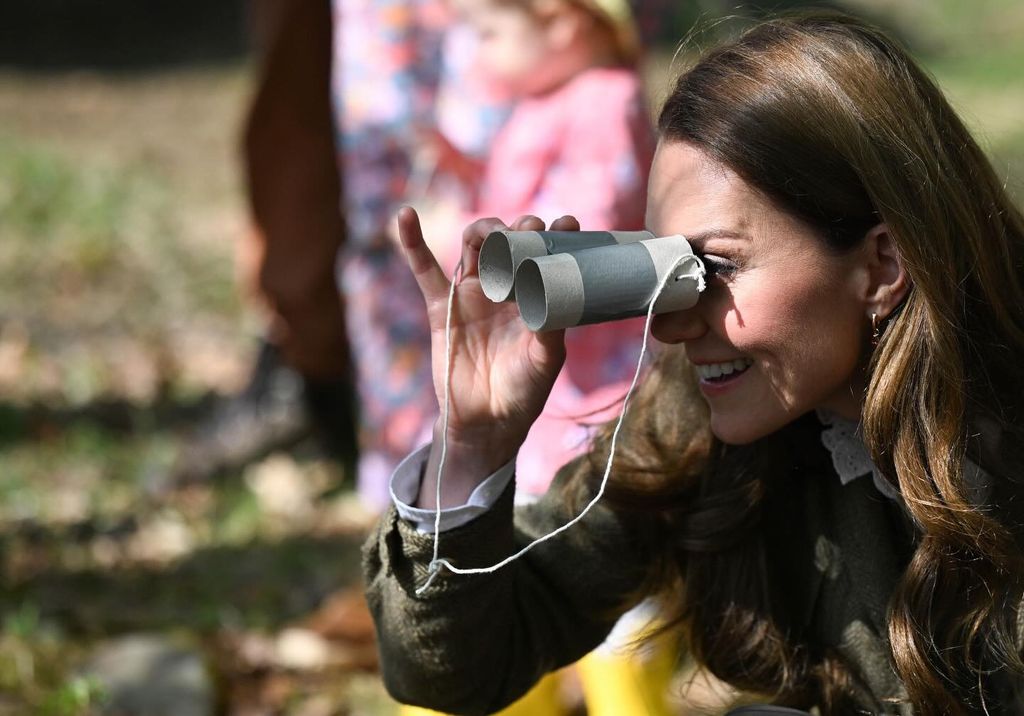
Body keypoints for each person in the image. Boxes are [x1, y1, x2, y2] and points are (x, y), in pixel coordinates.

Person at [364, 10, 1024, 716]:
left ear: (883, 264)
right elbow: (455, 672)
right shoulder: (696, 419)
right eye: (668, 270)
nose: (674, 325)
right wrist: (473, 447)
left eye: (715, 266)